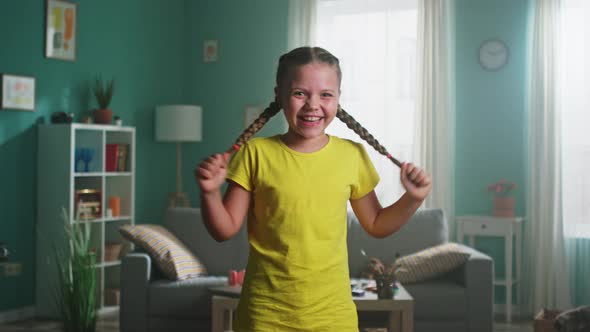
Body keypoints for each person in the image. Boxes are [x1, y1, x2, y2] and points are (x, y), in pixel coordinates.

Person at [195, 46, 432, 331]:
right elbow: (224, 229)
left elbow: (377, 224)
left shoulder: (352, 155)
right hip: (265, 314)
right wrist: (209, 192)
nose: (312, 105)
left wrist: (413, 198)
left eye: (325, 95)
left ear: (338, 99)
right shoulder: (255, 153)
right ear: (279, 95)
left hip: (333, 316)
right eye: (299, 93)